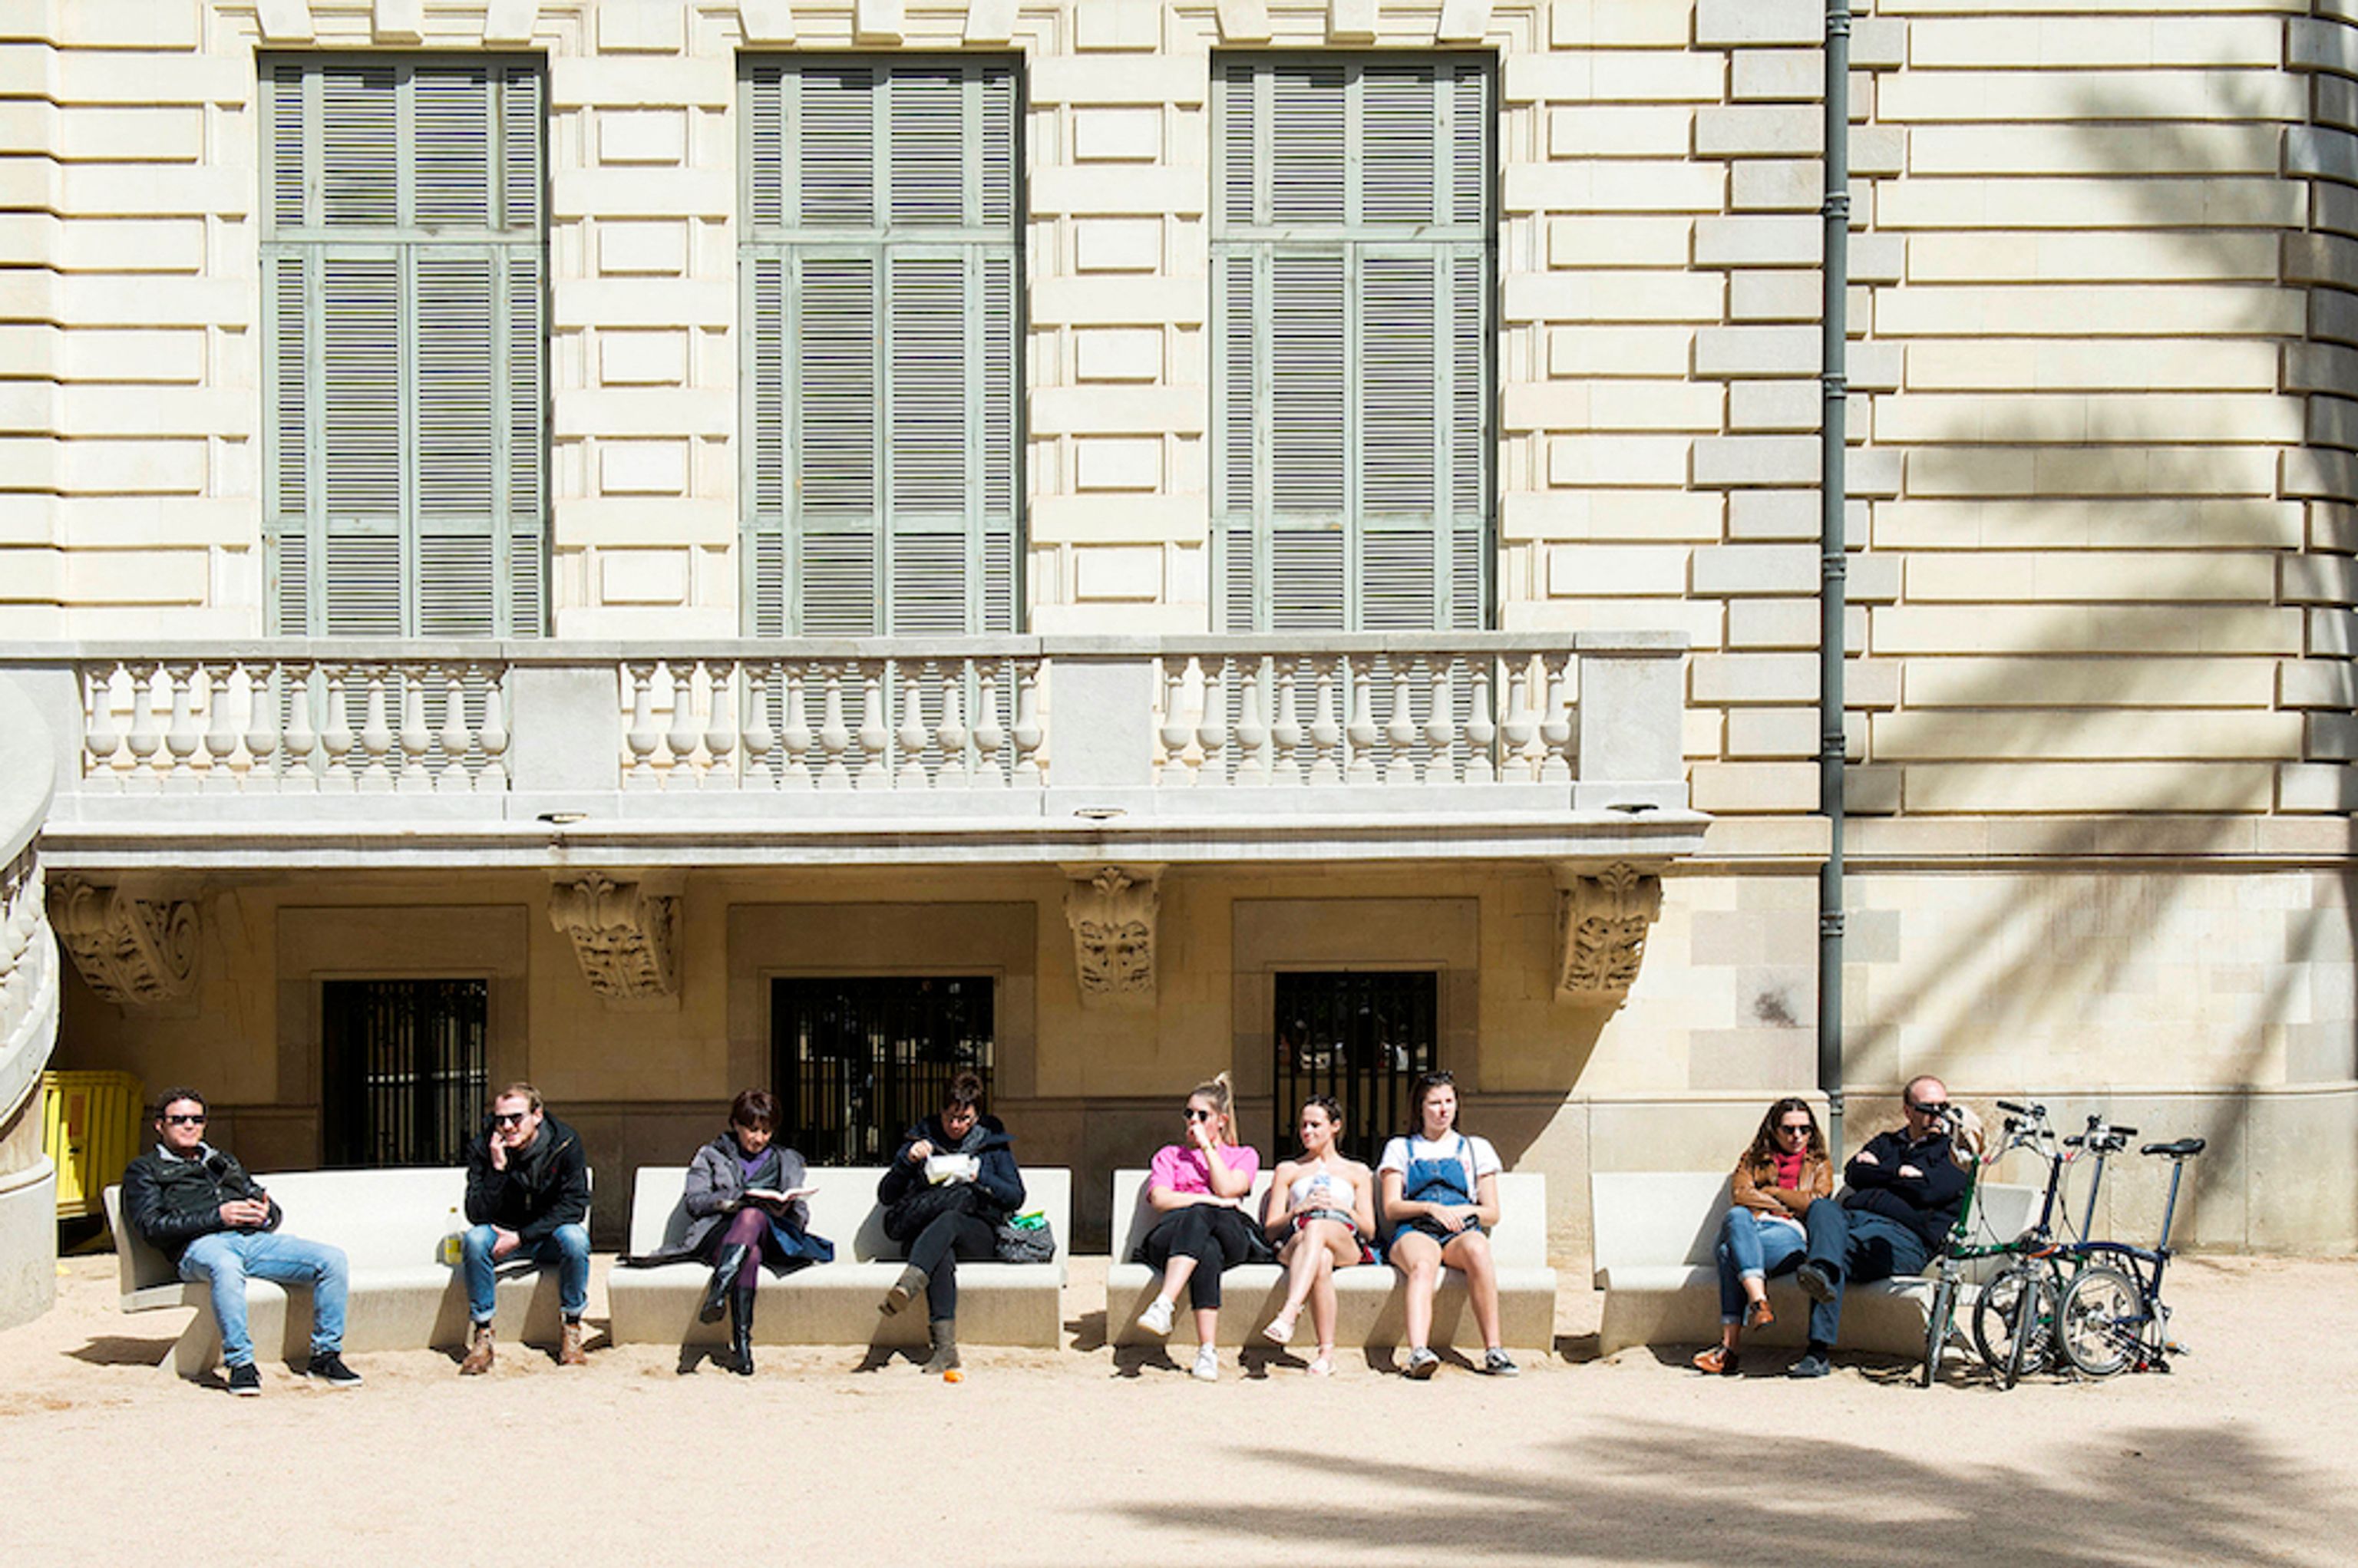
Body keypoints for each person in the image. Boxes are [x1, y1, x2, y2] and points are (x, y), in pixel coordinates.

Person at [121, 1087, 362, 1396]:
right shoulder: (145, 1169)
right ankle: (241, 1363)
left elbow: (269, 1207)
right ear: (160, 1125)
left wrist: (265, 1215)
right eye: (179, 1119)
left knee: (331, 1259)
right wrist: (218, 1216)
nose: (189, 1126)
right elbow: (151, 1227)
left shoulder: (222, 1161)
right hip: (200, 1247)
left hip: (252, 1240)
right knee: (225, 1264)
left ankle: (325, 1356)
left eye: (197, 1119)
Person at [621, 1088, 831, 1377]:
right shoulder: (711, 1155)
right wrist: (736, 1198)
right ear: (736, 1124)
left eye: (766, 1132)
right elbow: (695, 1202)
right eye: (752, 1130)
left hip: (774, 1235)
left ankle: (719, 1293)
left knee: (755, 1216)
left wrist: (786, 1209)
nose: (759, 1139)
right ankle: (743, 1345)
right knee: (750, 1247)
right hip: (719, 1233)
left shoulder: (788, 1159)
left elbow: (800, 1213)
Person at [1788, 1074, 1970, 1378]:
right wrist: (1900, 1172)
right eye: (1928, 1108)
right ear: (1908, 1111)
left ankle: (1817, 1351)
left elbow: (1930, 1192)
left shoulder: (1954, 1155)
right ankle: (1821, 1269)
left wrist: (1879, 1171)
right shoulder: (1888, 1142)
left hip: (1902, 1239)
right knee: (1821, 1208)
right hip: (1853, 1222)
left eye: (1944, 1107)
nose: (1938, 1116)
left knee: (1831, 1254)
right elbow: (1854, 1173)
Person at [875, 1071, 1025, 1375]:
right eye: (950, 1117)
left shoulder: (991, 1143)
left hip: (977, 1232)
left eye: (965, 1119)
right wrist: (907, 1162)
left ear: (977, 1116)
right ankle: (945, 1350)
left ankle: (911, 1282)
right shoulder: (922, 1138)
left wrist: (979, 1175)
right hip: (926, 1238)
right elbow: (887, 1195)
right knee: (941, 1247)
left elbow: (1016, 1196)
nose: (956, 1126)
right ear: (941, 1112)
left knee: (952, 1219)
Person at [1376, 1070, 1518, 1378]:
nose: (1443, 1110)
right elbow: (1392, 1207)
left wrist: (1463, 1212)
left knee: (1479, 1251)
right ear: (1420, 1108)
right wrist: (1430, 1208)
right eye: (1435, 1103)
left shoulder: (1475, 1148)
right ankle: (1418, 1351)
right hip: (1416, 1228)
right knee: (1423, 1265)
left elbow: (1492, 1212)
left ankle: (1494, 1348)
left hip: (1461, 1228)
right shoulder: (1401, 1148)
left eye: (1449, 1102)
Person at [1131, 1071, 1263, 1381]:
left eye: (1202, 1115)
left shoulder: (1244, 1155)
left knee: (1205, 1219)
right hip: (1175, 1234)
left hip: (1230, 1232)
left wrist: (1207, 1149)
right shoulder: (1169, 1155)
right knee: (1206, 1247)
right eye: (1188, 1114)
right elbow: (1161, 1199)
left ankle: (1165, 1303)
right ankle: (1207, 1351)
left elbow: (1229, 1188)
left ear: (1222, 1120)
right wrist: (1211, 1203)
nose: (1193, 1121)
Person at [457, 1081, 592, 1375]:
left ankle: (571, 1327)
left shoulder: (565, 1143)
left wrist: (522, 1237)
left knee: (575, 1238)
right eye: (500, 1119)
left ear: (537, 1116)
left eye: (516, 1118)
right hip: (501, 1234)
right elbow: (476, 1213)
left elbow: (575, 1206)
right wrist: (497, 1169)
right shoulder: (484, 1147)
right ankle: (482, 1334)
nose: (507, 1126)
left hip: (544, 1238)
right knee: (476, 1239)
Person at [1693, 1097, 1833, 1375]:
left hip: (1789, 1235)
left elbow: (1816, 1201)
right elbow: (1741, 1195)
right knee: (1737, 1217)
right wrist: (1791, 1202)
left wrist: (1774, 1192)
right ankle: (1759, 1302)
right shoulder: (1752, 1159)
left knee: (1727, 1253)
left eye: (1804, 1130)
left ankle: (1730, 1348)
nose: (1797, 1136)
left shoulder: (1819, 1163)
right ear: (1773, 1129)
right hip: (1751, 1228)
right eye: (1789, 1129)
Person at [1258, 1094, 1376, 1377]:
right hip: (1298, 1237)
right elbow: (1271, 1228)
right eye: (1303, 1126)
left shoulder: (1357, 1171)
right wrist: (1299, 1208)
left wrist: (1341, 1207)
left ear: (1335, 1126)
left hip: (1343, 1238)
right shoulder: (1289, 1169)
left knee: (1320, 1229)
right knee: (1319, 1255)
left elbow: (1370, 1230)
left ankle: (1289, 1312)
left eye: (1315, 1125)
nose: (1307, 1132)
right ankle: (1325, 1354)